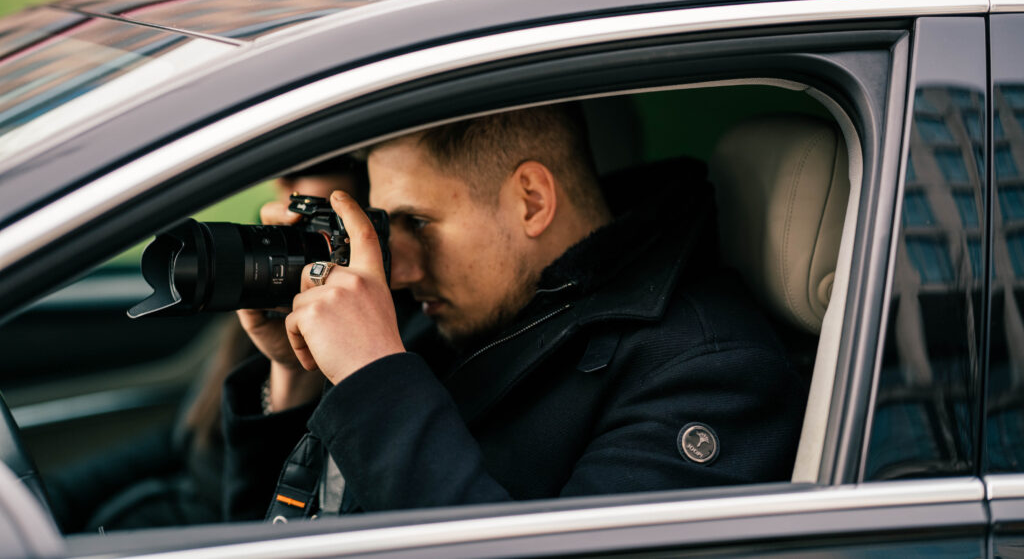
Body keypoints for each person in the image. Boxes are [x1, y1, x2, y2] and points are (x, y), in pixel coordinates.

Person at [222, 104, 806, 520]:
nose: (399, 271)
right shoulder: (471, 310)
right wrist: (301, 374)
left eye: (419, 224)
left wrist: (374, 379)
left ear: (531, 200)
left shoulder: (708, 374)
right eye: (387, 228)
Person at [47, 158, 369, 532]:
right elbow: (186, 436)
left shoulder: (373, 337)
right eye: (282, 165)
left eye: (313, 164)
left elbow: (269, 517)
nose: (283, 180)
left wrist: (291, 371)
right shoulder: (274, 297)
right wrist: (52, 499)